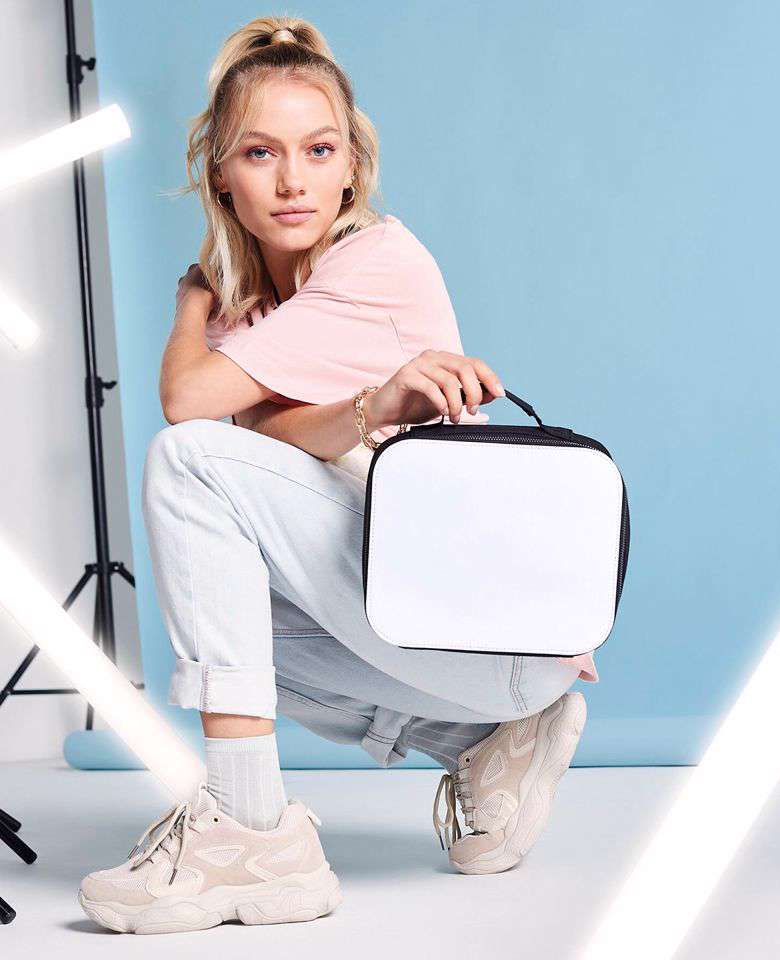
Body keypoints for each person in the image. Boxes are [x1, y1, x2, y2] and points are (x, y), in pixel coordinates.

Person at [78, 15, 596, 935]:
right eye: (261, 153)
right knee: (221, 607)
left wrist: (189, 298)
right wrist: (364, 401)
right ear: (221, 176)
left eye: (319, 150)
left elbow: (188, 403)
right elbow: (278, 432)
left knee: (188, 463)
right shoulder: (253, 315)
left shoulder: (374, 263)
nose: (293, 181)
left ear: (352, 165)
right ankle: (486, 744)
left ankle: (249, 830)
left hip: (495, 636)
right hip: (442, 651)